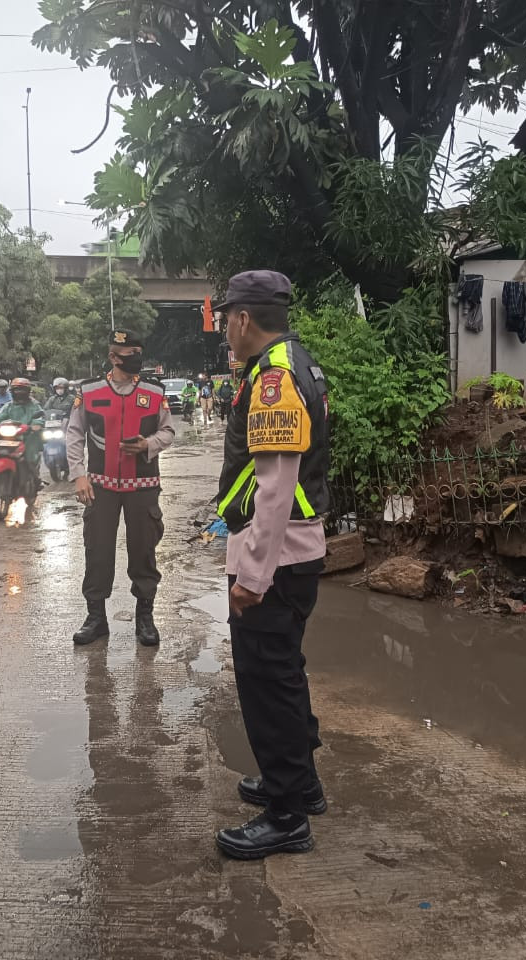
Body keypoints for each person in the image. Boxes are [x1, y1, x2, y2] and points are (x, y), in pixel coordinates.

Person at [211, 270, 331, 861]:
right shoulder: (292, 361)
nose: (223, 332)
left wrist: (251, 578)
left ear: (241, 319)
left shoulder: (273, 379)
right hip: (293, 554)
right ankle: (299, 785)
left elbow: (276, 487)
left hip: (277, 559)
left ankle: (286, 815)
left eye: (224, 319)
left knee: (267, 684)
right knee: (284, 673)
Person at [66, 329, 175, 647]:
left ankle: (145, 617)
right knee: (97, 552)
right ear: (114, 357)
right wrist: (78, 475)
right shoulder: (89, 391)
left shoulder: (155, 392)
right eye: (131, 353)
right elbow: (74, 433)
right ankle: (96, 618)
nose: (137, 358)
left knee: (143, 552)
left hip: (143, 486)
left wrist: (148, 444)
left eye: (139, 351)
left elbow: (168, 431)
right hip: (100, 487)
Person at [0, 377, 44, 476]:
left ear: (27, 391)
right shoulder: (9, 406)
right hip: (10, 437)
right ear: (12, 391)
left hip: (28, 436)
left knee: (31, 456)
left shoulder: (34, 405)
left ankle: (35, 476)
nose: (19, 392)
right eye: (17, 390)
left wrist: (35, 425)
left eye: (22, 390)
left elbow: (39, 418)